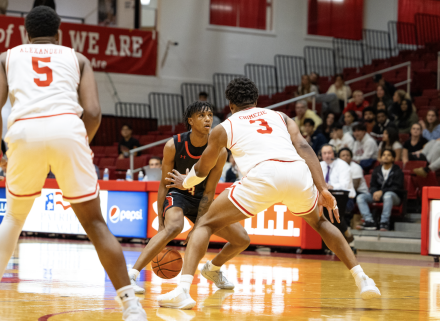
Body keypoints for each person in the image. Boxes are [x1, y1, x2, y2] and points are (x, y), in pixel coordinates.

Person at [0, 6, 145, 321]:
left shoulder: (7, 57)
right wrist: (76, 141)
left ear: (25, 34)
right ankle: (132, 307)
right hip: (67, 129)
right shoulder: (78, 59)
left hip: (24, 133)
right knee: (96, 225)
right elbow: (93, 113)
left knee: (12, 220)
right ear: (60, 34)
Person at [158, 77, 381, 309]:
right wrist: (322, 187)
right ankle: (363, 279)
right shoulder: (280, 117)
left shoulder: (224, 127)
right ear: (256, 100)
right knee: (321, 223)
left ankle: (183, 291)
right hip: (296, 172)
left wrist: (186, 181)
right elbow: (304, 147)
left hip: (263, 176)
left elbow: (203, 168)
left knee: (205, 224)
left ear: (231, 105)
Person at [128, 101, 249, 294]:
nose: (208, 119)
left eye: (210, 115)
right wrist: (160, 222)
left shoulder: (219, 151)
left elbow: (209, 192)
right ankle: (131, 276)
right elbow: (164, 186)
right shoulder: (173, 145)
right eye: (202, 116)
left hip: (202, 199)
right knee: (174, 226)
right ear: (190, 121)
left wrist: (198, 226)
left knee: (242, 239)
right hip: (178, 194)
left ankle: (213, 269)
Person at [356, 149, 404, 231]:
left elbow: (397, 187)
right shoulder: (377, 170)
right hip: (377, 195)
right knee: (360, 197)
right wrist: (374, 192)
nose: (385, 157)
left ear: (393, 158)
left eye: (388, 155)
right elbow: (373, 185)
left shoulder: (397, 171)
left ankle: (384, 222)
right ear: (381, 158)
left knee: (387, 195)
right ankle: (369, 221)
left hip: (394, 197)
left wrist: (382, 192)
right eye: (384, 155)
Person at [320, 145, 355, 243]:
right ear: (321, 155)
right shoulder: (319, 165)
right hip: (326, 198)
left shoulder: (343, 165)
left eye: (329, 153)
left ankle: (342, 236)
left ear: (334, 154)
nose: (327, 156)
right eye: (324, 153)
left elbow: (345, 185)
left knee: (330, 209)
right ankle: (345, 234)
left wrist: (331, 186)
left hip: (346, 198)